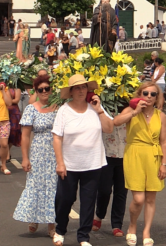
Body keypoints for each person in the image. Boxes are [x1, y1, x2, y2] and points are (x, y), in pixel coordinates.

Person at [52, 74, 113, 246]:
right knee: (65, 198)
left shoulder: (95, 108)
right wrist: (60, 162)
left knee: (88, 201)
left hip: (93, 164)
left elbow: (109, 129)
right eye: (77, 88)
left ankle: (83, 236)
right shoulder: (64, 110)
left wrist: (99, 109)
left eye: (84, 87)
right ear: (71, 91)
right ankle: (60, 229)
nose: (81, 90)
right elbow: (57, 137)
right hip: (69, 164)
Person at [113, 82, 166, 246]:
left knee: (151, 198)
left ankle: (146, 232)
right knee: (138, 199)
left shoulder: (161, 116)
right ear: (140, 94)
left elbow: (164, 141)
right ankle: (132, 226)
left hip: (153, 155)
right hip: (134, 154)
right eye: (146, 93)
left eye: (153, 94)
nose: (149, 97)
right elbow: (116, 122)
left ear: (157, 97)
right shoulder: (131, 111)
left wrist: (164, 163)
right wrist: (135, 111)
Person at [13, 75, 57, 237]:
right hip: (38, 152)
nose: (44, 92)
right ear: (36, 91)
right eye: (41, 89)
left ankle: (51, 224)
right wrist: (25, 158)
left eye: (47, 88)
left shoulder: (58, 107)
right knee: (36, 185)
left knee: (53, 188)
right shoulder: (31, 108)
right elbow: (25, 136)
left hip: (55, 152)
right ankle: (34, 218)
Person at [92, 118, 128, 237]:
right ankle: (99, 214)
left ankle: (117, 224)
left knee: (121, 191)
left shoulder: (131, 108)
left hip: (126, 153)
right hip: (106, 153)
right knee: (104, 190)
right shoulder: (104, 108)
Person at [6, 87, 22, 162]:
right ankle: (7, 153)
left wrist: (8, 101)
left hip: (14, 112)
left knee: (13, 131)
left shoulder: (16, 89)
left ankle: (8, 149)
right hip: (4, 110)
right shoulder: (2, 88)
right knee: (5, 132)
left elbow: (16, 100)